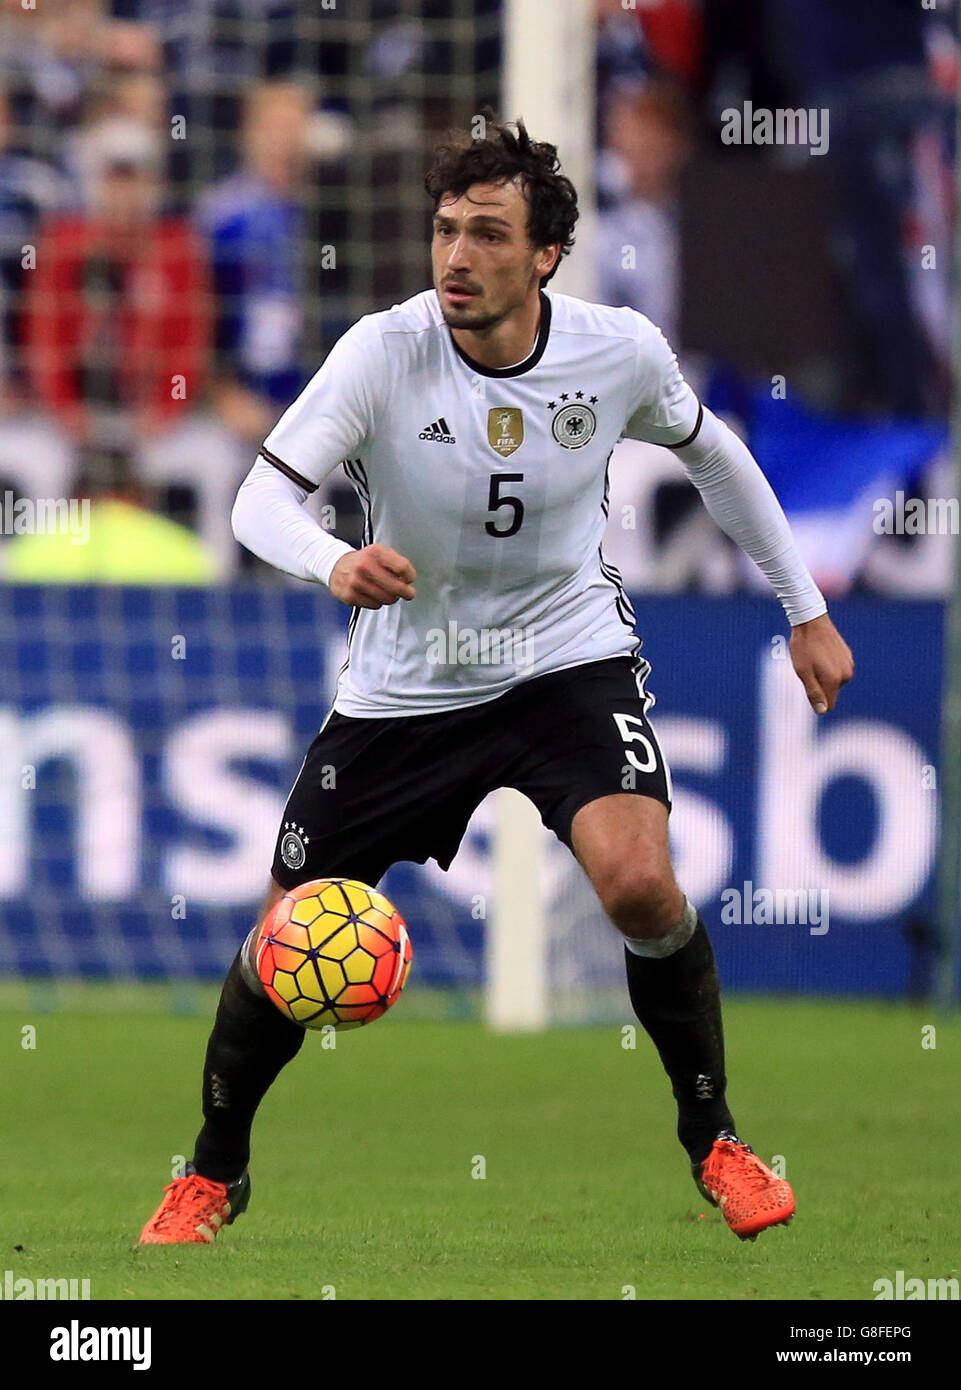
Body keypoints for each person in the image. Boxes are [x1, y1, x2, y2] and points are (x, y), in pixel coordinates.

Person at [139, 115, 853, 1247]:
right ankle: (214, 1171)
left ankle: (715, 1139)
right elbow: (257, 501)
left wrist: (803, 608)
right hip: (406, 687)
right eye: (443, 231)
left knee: (638, 886)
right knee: (286, 936)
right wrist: (336, 559)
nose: (456, 256)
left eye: (486, 234)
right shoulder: (383, 350)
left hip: (564, 659)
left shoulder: (616, 350)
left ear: (545, 256)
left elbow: (713, 452)